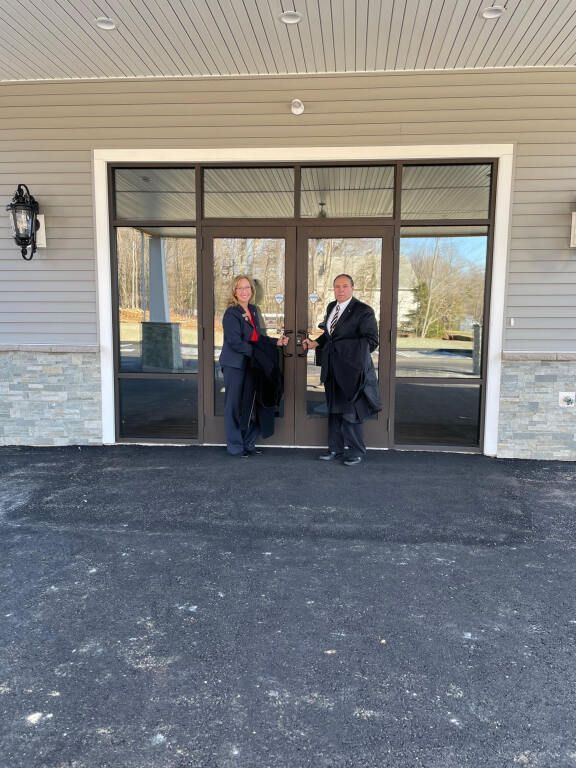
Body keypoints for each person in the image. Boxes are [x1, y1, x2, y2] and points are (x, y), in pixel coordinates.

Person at [302, 274, 381, 466]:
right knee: (334, 410)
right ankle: (335, 449)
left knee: (350, 411)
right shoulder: (332, 307)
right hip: (332, 368)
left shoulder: (364, 311)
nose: (341, 290)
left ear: (352, 288)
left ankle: (356, 451)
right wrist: (315, 343)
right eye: (337, 286)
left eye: (345, 286)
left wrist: (343, 349)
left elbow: (371, 342)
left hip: (351, 371)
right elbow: (330, 336)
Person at [219, 275, 289, 457]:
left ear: (252, 290)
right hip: (235, 365)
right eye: (240, 288)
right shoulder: (231, 313)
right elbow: (235, 342)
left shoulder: (253, 310)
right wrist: (257, 354)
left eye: (247, 288)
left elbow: (256, 337)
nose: (244, 291)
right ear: (234, 292)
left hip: (251, 364)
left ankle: (248, 443)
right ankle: (235, 446)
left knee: (250, 405)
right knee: (233, 406)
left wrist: (276, 343)